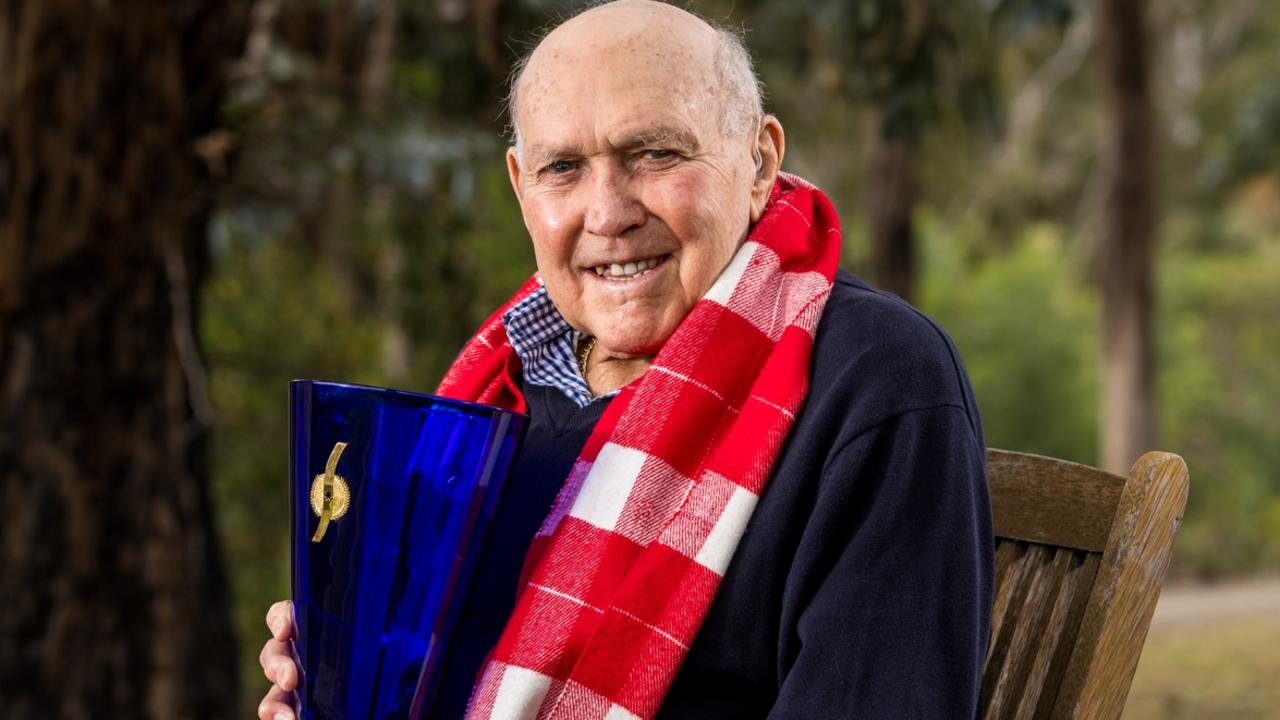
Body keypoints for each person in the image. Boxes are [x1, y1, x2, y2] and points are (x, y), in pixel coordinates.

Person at [258, 1, 993, 718]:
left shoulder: (873, 377)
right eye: (563, 167)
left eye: (655, 154)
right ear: (521, 187)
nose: (607, 213)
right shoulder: (498, 391)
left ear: (759, 160)